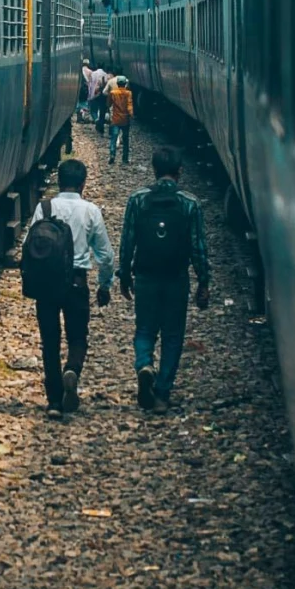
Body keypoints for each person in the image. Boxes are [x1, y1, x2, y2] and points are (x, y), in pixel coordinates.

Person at [118, 148, 210, 410]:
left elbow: (127, 242)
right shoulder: (190, 203)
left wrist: (124, 274)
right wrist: (203, 281)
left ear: (154, 169)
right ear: (179, 172)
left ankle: (145, 364)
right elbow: (198, 247)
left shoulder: (137, 200)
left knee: (145, 329)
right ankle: (162, 393)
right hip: (176, 278)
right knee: (172, 334)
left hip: (146, 276)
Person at [23, 156, 113, 415]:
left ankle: (53, 401)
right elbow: (105, 256)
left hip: (46, 284)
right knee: (77, 336)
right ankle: (72, 369)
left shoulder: (45, 208)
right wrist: (105, 285)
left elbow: (31, 243)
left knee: (49, 341)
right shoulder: (91, 211)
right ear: (83, 183)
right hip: (76, 282)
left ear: (60, 182)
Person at [107, 76, 134, 166]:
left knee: (113, 138)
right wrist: (131, 114)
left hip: (115, 119)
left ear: (118, 84)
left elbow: (108, 104)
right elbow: (129, 105)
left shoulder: (113, 93)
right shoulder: (128, 93)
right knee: (125, 140)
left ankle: (112, 154)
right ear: (125, 84)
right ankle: (125, 159)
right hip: (125, 120)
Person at [87, 64, 109, 134]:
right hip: (103, 95)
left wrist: (90, 94)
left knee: (93, 110)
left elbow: (90, 85)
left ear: (97, 67)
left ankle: (96, 120)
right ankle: (101, 125)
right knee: (102, 111)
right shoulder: (106, 75)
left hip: (94, 94)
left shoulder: (93, 74)